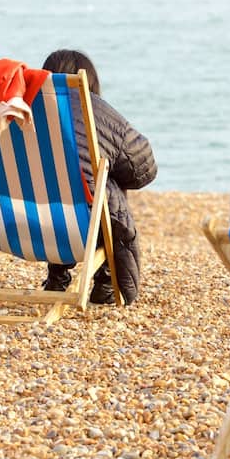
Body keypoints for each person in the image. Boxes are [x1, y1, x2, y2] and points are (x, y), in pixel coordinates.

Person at [39, 49, 158, 305]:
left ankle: (57, 275)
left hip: (23, 223)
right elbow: (144, 168)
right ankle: (107, 279)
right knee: (106, 180)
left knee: (65, 181)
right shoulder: (93, 110)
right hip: (84, 226)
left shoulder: (17, 110)